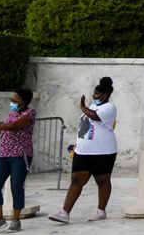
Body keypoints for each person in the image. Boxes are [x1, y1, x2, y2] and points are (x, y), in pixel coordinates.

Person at [49, 76, 118, 224]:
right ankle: (64, 212)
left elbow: (95, 117)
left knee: (102, 180)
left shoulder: (109, 108)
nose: (94, 96)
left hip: (103, 152)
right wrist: (75, 145)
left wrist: (82, 107)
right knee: (76, 180)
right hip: (83, 151)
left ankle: (101, 210)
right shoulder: (92, 106)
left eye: (97, 94)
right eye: (94, 93)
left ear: (105, 95)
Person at [0, 88, 37, 232]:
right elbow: (4, 130)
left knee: (16, 186)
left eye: (14, 101)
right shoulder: (12, 113)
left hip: (20, 154)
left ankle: (16, 220)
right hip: (4, 154)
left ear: (23, 102)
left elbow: (11, 127)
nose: (11, 103)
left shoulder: (29, 114)